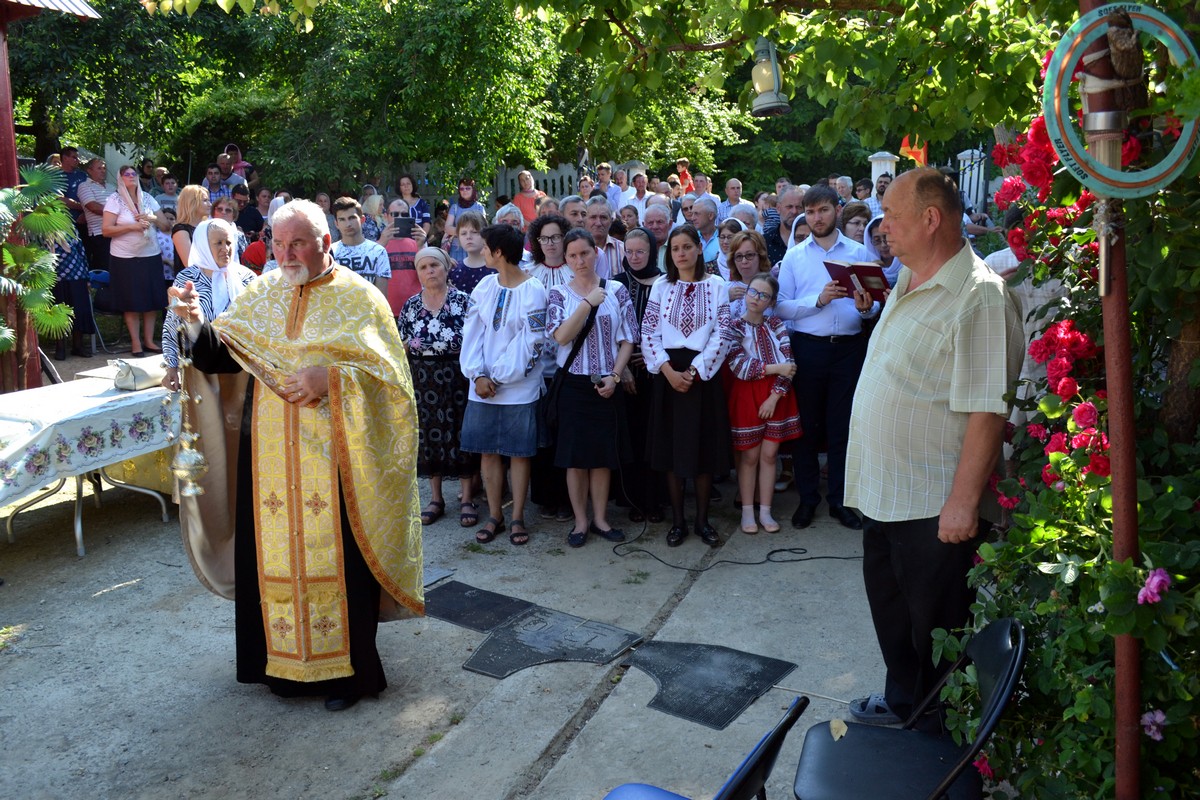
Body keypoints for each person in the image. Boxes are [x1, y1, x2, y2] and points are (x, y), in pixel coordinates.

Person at [168, 199, 423, 712]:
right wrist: (195, 323)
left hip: (336, 462)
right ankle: (283, 670)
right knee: (269, 559)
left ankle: (352, 676)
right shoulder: (263, 292)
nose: (284, 254)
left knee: (341, 562)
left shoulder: (361, 299)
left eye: (297, 243)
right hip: (266, 463)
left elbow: (394, 386)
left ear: (325, 243)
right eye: (278, 244)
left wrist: (329, 378)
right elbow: (222, 353)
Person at [844, 167, 1023, 729]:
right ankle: (906, 709)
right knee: (896, 619)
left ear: (930, 218)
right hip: (886, 491)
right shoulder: (909, 278)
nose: (882, 229)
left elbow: (988, 410)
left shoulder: (980, 297)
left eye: (892, 216)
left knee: (938, 630)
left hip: (934, 504)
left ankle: (940, 737)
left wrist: (964, 503)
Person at [775, 184, 876, 531]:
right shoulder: (795, 256)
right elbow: (781, 306)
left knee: (842, 428)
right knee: (806, 427)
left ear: (837, 209)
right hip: (809, 348)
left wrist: (866, 310)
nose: (817, 218)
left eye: (823, 210)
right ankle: (807, 499)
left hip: (848, 349)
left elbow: (873, 302)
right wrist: (817, 301)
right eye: (811, 211)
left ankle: (839, 501)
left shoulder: (859, 252)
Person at [641, 224, 733, 547]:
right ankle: (678, 521)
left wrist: (694, 371)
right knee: (672, 449)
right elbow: (649, 333)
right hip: (668, 374)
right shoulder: (661, 287)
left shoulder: (717, 286)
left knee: (703, 450)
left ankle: (702, 520)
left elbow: (724, 333)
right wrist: (667, 370)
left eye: (686, 247)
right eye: (675, 248)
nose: (681, 254)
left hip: (702, 375)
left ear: (698, 249)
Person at [458, 224, 548, 546]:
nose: (481, 252)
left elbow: (532, 341)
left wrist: (497, 376)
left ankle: (518, 516)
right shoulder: (484, 286)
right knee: (488, 453)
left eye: (485, 247)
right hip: (482, 386)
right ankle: (495, 514)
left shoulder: (533, 289)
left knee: (519, 455)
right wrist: (478, 375)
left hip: (518, 386)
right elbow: (472, 334)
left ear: (498, 252)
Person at [547, 229, 638, 548]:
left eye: (584, 253)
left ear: (595, 253)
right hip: (573, 383)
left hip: (606, 381)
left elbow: (628, 337)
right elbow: (560, 337)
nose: (579, 260)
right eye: (572, 255)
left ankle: (600, 518)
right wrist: (586, 303)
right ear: (566, 259)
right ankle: (580, 521)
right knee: (575, 458)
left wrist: (615, 375)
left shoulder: (616, 289)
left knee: (602, 457)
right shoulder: (559, 293)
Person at [398, 247, 480, 528]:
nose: (430, 271)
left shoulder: (464, 301)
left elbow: (476, 341)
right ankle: (436, 499)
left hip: (458, 376)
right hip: (423, 379)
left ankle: (467, 498)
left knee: (460, 434)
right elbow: (402, 344)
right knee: (430, 437)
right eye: (423, 267)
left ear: (446, 269)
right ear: (418, 273)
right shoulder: (410, 305)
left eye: (435, 265)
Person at [725, 273, 801, 534]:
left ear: (771, 301)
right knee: (750, 456)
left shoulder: (776, 324)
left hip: (777, 396)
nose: (756, 298)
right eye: (753, 292)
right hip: (746, 395)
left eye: (763, 295)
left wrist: (774, 396)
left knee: (770, 455)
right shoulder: (734, 327)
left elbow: (789, 366)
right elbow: (739, 366)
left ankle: (766, 511)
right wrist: (776, 367)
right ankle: (748, 510)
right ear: (746, 293)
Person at [522, 213, 573, 523]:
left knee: (566, 435)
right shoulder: (529, 273)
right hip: (538, 368)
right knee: (542, 436)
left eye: (556, 237)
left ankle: (568, 498)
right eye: (545, 238)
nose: (551, 243)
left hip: (569, 365)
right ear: (537, 242)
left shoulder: (576, 270)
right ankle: (545, 498)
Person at [612, 227, 665, 523]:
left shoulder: (666, 283)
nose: (633, 257)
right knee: (630, 436)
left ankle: (656, 499)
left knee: (654, 436)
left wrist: (650, 355)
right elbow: (611, 329)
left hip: (658, 372)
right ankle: (632, 499)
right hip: (624, 373)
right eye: (629, 251)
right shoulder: (617, 284)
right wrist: (623, 373)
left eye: (640, 251)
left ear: (652, 252)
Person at [102, 164, 165, 356]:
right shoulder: (114, 200)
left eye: (133, 173)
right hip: (125, 258)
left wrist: (152, 218)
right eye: (126, 174)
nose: (131, 176)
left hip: (150, 255)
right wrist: (132, 227)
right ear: (121, 179)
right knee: (131, 302)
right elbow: (106, 230)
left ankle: (149, 341)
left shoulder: (148, 198)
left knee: (151, 301)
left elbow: (166, 225)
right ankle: (136, 343)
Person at [50, 230, 96, 360]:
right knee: (58, 312)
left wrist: (86, 276)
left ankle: (78, 346)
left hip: (77, 275)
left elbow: (81, 252)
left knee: (79, 311)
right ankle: (60, 347)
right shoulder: (41, 233)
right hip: (56, 278)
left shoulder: (72, 229)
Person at [379, 198, 429, 315]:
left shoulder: (418, 243)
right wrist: (381, 243)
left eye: (404, 214)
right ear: (386, 216)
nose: (400, 217)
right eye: (395, 214)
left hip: (414, 309)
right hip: (386, 310)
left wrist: (422, 246)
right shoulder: (378, 246)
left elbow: (427, 274)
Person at [330, 196, 390, 293]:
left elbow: (382, 296)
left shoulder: (378, 252)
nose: (348, 224)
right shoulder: (330, 252)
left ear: (362, 220)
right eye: (342, 219)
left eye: (352, 218)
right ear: (336, 224)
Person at [446, 211, 494, 296]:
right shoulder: (454, 270)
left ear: (486, 234)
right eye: (463, 233)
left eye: (475, 232)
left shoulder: (497, 269)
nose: (468, 237)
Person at [725, 230, 770, 319]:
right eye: (739, 256)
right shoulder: (725, 289)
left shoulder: (772, 287)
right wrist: (724, 299)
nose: (744, 261)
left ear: (760, 256)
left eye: (749, 255)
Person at [77, 157, 111, 274]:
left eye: (104, 168)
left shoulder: (112, 187)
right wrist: (116, 212)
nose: (103, 171)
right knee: (104, 269)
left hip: (117, 232)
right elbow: (93, 207)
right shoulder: (84, 186)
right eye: (99, 168)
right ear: (89, 170)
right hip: (99, 235)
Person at [444, 178, 486, 262]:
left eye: (468, 188)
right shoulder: (454, 207)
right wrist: (466, 232)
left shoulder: (479, 207)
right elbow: (447, 228)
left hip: (475, 248)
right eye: (462, 189)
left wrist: (462, 232)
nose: (464, 191)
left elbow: (483, 228)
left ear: (473, 190)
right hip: (456, 249)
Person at [172, 185, 210, 276]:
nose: (210, 204)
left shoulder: (207, 227)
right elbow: (189, 264)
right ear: (192, 203)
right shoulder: (181, 230)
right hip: (191, 283)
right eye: (205, 201)